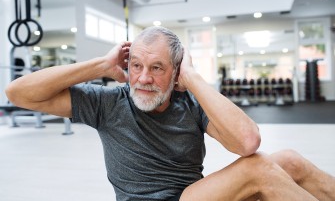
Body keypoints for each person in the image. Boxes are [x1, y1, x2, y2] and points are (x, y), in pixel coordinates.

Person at [5, 26, 335, 201]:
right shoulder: (106, 102)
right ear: (126, 67)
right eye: (136, 66)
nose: (144, 78)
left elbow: (247, 141)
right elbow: (17, 93)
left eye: (157, 67)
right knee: (260, 170)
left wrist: (192, 78)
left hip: (192, 196)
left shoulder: (190, 103)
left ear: (176, 72)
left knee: (289, 160)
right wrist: (101, 65)